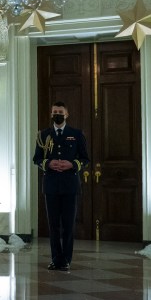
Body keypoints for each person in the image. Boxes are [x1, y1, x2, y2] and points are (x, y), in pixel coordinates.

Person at [32, 101, 89, 272]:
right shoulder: (43, 135)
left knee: (68, 224)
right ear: (51, 114)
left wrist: (72, 164)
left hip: (70, 185)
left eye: (60, 111)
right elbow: (36, 159)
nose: (57, 114)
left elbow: (85, 158)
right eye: (55, 111)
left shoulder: (76, 134)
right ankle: (55, 259)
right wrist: (48, 163)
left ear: (66, 114)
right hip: (51, 185)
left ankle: (66, 260)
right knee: (54, 225)